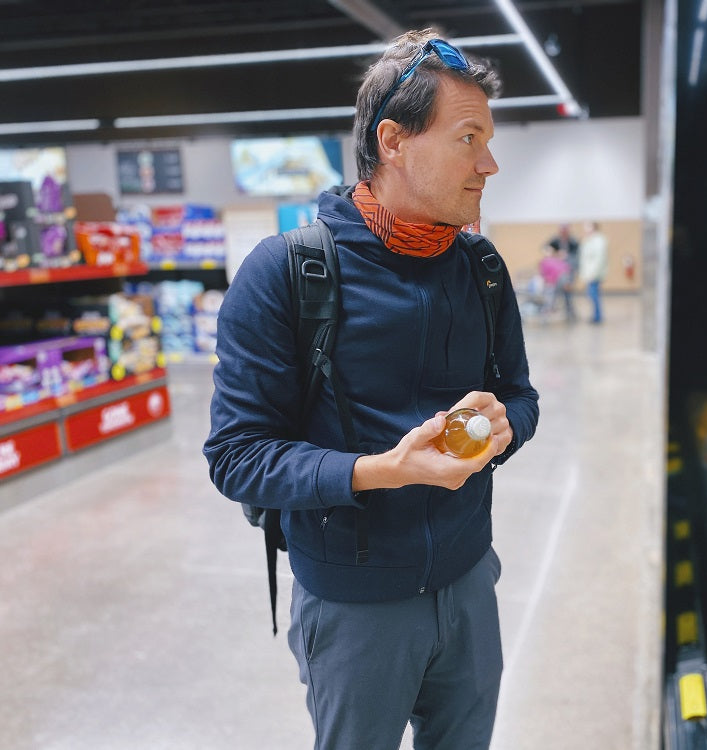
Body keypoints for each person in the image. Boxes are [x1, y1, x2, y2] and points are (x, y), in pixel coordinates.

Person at [203, 29, 539, 750]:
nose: (490, 163)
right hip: (355, 609)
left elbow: (521, 394)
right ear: (393, 140)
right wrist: (385, 470)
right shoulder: (286, 274)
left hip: (468, 581)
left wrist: (506, 422)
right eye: (468, 137)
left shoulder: (479, 269)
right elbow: (237, 456)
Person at [579, 221, 609, 323]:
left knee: (593, 295)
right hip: (589, 273)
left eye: (588, 226)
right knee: (591, 295)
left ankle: (597, 317)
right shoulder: (588, 240)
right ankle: (595, 315)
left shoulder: (598, 240)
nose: (586, 229)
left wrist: (594, 273)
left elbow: (599, 259)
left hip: (594, 274)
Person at [547, 223, 578, 320]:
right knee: (557, 291)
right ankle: (552, 307)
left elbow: (576, 257)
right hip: (558, 273)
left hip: (568, 272)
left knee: (567, 292)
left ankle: (569, 312)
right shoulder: (555, 240)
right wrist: (556, 254)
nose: (564, 233)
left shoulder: (573, 242)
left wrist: (567, 256)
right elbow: (545, 248)